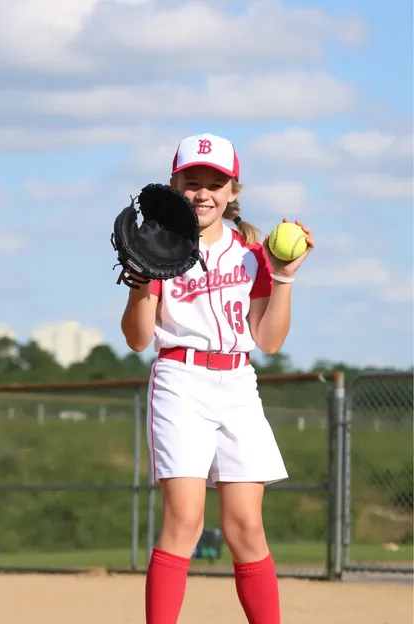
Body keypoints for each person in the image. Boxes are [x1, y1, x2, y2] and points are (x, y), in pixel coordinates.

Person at [121, 132, 314, 623]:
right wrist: (141, 286)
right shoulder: (157, 249)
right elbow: (139, 339)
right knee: (185, 521)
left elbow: (268, 341)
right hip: (181, 380)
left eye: (215, 183)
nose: (202, 192)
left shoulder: (252, 253)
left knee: (247, 528)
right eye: (192, 182)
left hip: (238, 385)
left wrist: (285, 275)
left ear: (233, 192)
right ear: (174, 185)